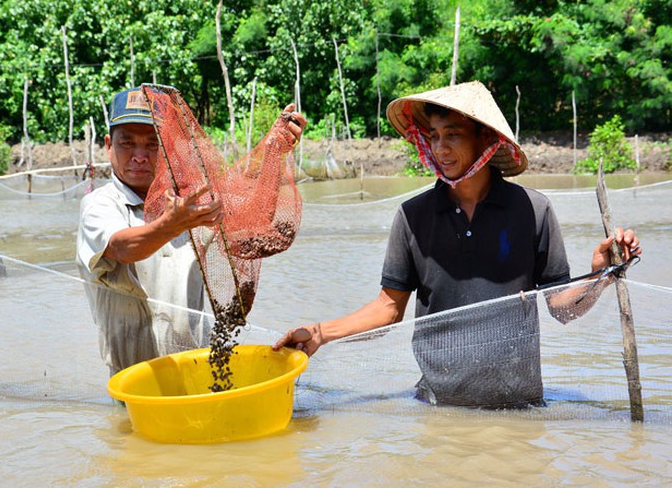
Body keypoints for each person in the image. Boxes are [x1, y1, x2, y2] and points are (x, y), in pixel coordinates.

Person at [273, 81, 641, 408]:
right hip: (438, 407)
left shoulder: (532, 209)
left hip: (519, 408)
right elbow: (388, 309)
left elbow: (561, 308)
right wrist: (320, 333)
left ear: (484, 138)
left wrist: (601, 275)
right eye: (432, 135)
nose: (440, 148)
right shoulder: (413, 217)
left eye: (453, 135)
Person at [77, 86, 305, 376]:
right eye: (127, 143)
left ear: (168, 148)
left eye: (152, 144)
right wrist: (172, 225)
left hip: (198, 372)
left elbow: (250, 211)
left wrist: (272, 151)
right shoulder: (100, 205)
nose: (139, 155)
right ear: (109, 145)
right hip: (133, 382)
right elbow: (123, 247)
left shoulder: (193, 203)